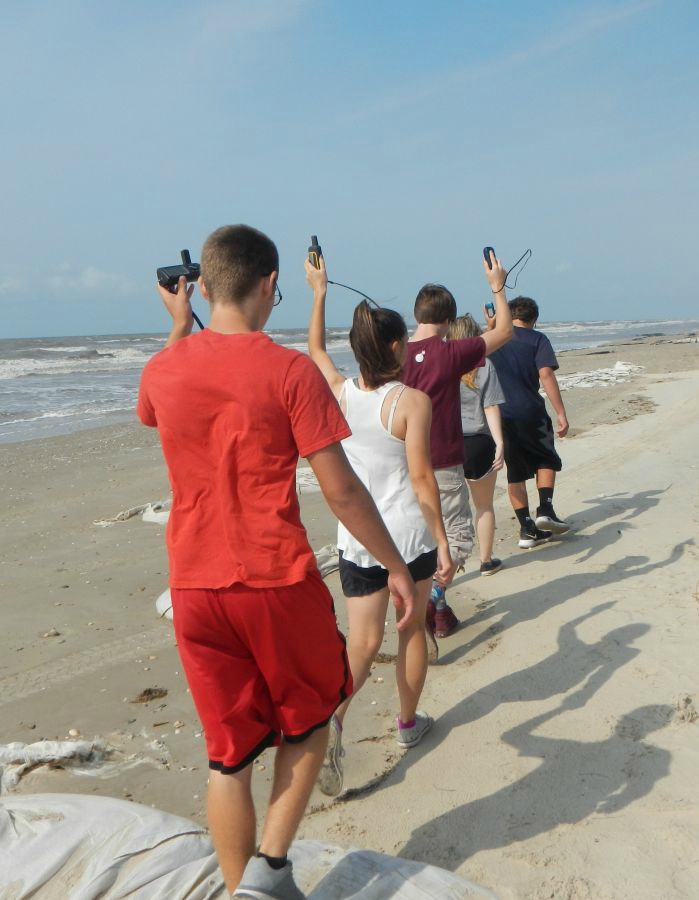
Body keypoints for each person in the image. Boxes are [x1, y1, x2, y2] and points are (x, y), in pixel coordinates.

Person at [137, 225, 415, 900]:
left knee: (227, 758)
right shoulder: (289, 371)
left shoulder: (162, 368)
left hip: (194, 587)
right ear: (269, 285)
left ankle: (245, 890)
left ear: (200, 287)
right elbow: (342, 489)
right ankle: (271, 866)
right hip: (274, 579)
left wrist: (179, 329)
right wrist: (397, 567)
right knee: (315, 717)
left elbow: (152, 410)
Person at [304, 252, 456, 798]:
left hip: (357, 541)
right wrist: (442, 541)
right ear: (396, 348)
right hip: (407, 538)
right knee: (409, 629)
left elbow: (315, 349)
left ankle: (334, 720)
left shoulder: (339, 392)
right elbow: (421, 479)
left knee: (362, 644)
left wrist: (318, 292)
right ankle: (410, 725)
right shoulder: (411, 402)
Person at [401, 251, 514, 640]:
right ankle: (432, 596)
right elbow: (503, 333)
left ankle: (436, 608)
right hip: (442, 462)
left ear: (417, 315)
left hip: (401, 462)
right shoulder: (447, 352)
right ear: (448, 322)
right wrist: (497, 286)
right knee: (457, 537)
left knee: (421, 537)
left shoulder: (393, 353)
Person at [487, 295, 571, 548]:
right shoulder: (537, 339)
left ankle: (527, 529)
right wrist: (560, 412)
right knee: (546, 458)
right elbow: (545, 374)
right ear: (533, 319)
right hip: (529, 410)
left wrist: (490, 327)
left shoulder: (493, 340)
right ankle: (545, 509)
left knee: (515, 472)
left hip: (499, 415)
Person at [450, 313, 507, 575]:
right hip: (479, 443)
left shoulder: (442, 365)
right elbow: (491, 406)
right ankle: (486, 560)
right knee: (483, 506)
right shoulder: (484, 365)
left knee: (448, 513)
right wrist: (499, 443)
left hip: (447, 446)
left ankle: (447, 565)